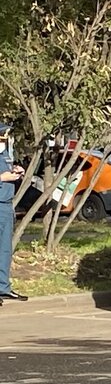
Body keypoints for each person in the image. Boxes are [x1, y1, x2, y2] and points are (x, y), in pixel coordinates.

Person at [0, 125, 28, 307]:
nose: (4, 141)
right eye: (2, 138)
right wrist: (3, 178)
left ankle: (3, 287)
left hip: (6, 205)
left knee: (4, 249)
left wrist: (17, 171)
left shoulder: (5, 154)